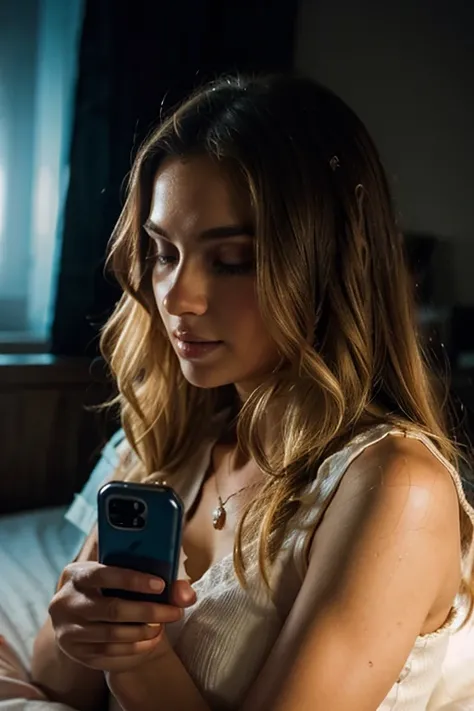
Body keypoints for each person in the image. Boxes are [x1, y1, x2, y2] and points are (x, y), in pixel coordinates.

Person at [29, 73, 474, 711]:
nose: (177, 297)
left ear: (326, 265)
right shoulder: (170, 439)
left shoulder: (395, 488)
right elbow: (52, 679)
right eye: (162, 253)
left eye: (231, 259)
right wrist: (81, 618)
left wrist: (140, 657)